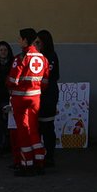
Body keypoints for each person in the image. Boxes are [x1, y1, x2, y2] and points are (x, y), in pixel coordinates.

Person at [8, 28, 49, 174]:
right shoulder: (42, 58)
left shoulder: (20, 58)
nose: (18, 41)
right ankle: (39, 161)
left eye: (20, 38)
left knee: (23, 131)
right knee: (34, 130)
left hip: (20, 99)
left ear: (25, 40)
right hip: (36, 98)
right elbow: (45, 82)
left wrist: (10, 84)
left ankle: (27, 164)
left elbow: (13, 80)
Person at [36, 29, 61, 168]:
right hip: (38, 95)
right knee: (38, 128)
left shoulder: (50, 56)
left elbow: (54, 76)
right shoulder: (36, 56)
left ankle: (49, 156)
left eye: (38, 42)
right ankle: (38, 155)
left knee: (47, 127)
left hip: (48, 96)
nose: (36, 44)